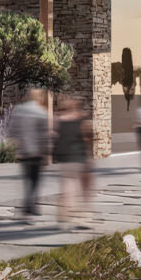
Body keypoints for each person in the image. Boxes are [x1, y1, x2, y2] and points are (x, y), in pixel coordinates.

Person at [7, 89, 50, 216]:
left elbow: (12, 131)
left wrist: (16, 147)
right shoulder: (41, 112)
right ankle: (31, 205)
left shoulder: (18, 110)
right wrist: (47, 152)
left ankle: (28, 205)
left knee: (27, 179)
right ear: (38, 97)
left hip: (24, 151)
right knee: (35, 180)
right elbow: (45, 134)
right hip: (36, 152)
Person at [53, 95, 94, 226]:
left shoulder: (58, 120)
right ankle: (83, 216)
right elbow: (88, 138)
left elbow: (54, 137)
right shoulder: (81, 119)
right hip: (79, 157)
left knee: (67, 187)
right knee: (82, 189)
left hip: (65, 158)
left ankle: (63, 215)